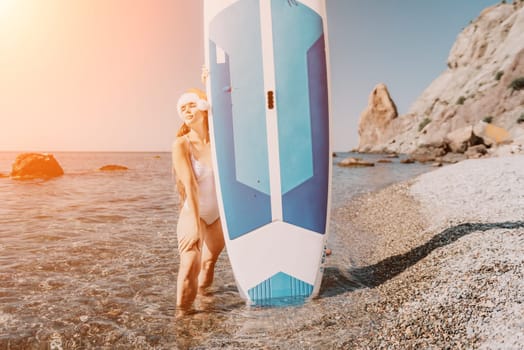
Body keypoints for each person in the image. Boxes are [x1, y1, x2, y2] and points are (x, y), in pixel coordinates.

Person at [172, 88, 224, 315]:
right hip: (194, 212)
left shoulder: (221, 141)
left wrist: (208, 80)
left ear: (203, 107)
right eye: (183, 108)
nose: (187, 110)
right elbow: (191, 185)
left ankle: (204, 305)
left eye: (191, 105)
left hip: (219, 215)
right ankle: (182, 316)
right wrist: (195, 223)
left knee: (208, 264)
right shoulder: (181, 144)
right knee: (189, 266)